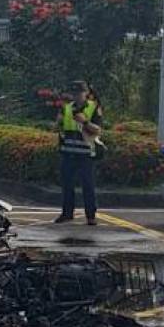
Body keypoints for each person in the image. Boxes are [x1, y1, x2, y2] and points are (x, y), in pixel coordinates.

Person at [54, 80, 103, 225]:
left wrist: (85, 122)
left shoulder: (93, 108)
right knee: (67, 185)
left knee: (88, 186)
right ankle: (67, 213)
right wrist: (58, 123)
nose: (77, 96)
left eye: (80, 93)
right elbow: (59, 127)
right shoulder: (67, 108)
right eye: (74, 93)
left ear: (86, 93)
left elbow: (98, 130)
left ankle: (91, 216)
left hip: (85, 154)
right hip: (68, 152)